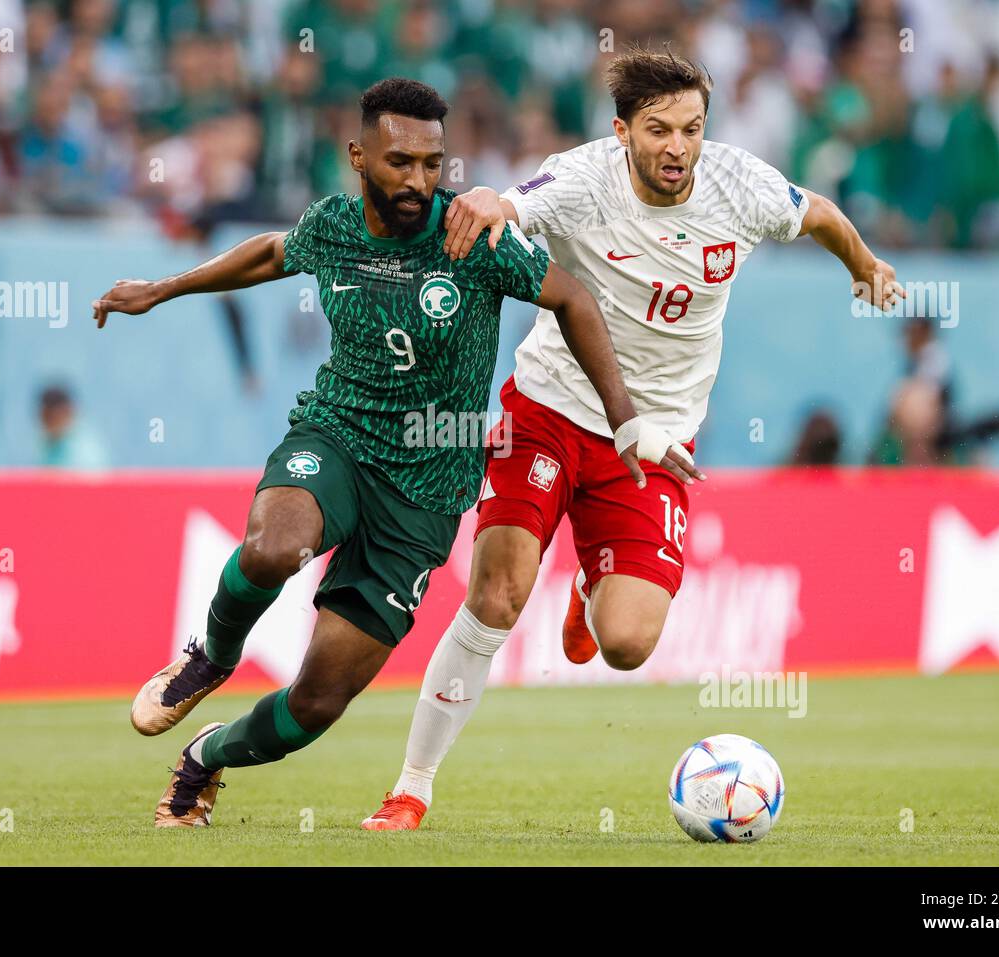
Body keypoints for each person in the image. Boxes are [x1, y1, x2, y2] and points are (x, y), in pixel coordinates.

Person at [91, 77, 665, 828]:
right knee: (273, 547)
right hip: (339, 434)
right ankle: (211, 656)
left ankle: (209, 755)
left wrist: (624, 420)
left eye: (433, 164)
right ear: (358, 156)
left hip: (426, 491)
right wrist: (161, 290)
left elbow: (575, 300)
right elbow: (271, 253)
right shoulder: (333, 227)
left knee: (317, 701)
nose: (419, 182)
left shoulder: (474, 238)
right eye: (400, 163)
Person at [361, 47, 905, 830]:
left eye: (691, 128)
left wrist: (864, 265)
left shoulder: (738, 185)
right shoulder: (583, 179)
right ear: (622, 131)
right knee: (497, 593)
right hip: (550, 407)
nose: (677, 146)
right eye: (658, 130)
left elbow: (817, 212)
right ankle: (412, 786)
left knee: (625, 643)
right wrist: (484, 199)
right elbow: (511, 203)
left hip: (655, 440)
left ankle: (590, 591)